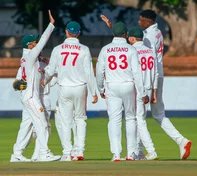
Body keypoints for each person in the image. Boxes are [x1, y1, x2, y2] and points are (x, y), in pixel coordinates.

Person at [101, 10, 192, 160]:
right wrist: (114, 28)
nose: (139, 22)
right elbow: (132, 38)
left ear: (149, 21)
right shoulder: (158, 33)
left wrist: (116, 32)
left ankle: (145, 151)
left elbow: (133, 45)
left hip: (145, 79)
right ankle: (180, 141)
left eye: (141, 20)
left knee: (138, 118)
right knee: (157, 114)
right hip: (156, 77)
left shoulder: (147, 37)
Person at [10, 10, 61, 162]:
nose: (37, 43)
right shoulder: (30, 55)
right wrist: (51, 25)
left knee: (27, 126)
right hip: (31, 98)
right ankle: (43, 154)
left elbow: (19, 81)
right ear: (30, 45)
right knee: (42, 124)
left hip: (28, 97)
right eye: (34, 42)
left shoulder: (27, 59)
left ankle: (17, 154)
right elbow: (44, 40)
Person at [44, 21, 98, 161]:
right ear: (78, 33)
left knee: (66, 121)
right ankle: (79, 151)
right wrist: (94, 92)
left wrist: (44, 80)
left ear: (66, 32)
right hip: (80, 87)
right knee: (80, 119)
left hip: (64, 88)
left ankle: (67, 153)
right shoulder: (84, 49)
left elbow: (50, 70)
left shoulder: (57, 49)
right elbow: (89, 72)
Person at [96, 22, 149, 162]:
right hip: (128, 85)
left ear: (113, 34)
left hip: (112, 86)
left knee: (114, 120)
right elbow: (137, 73)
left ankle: (116, 154)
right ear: (125, 34)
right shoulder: (131, 50)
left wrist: (101, 89)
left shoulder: (105, 49)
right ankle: (131, 153)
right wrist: (143, 93)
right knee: (131, 118)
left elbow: (99, 72)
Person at [127, 27, 159, 160]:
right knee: (139, 119)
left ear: (133, 38)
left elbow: (133, 72)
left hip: (138, 88)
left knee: (138, 121)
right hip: (149, 88)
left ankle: (151, 151)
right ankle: (138, 153)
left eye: (129, 37)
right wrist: (154, 92)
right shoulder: (151, 51)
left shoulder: (133, 51)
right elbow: (155, 73)